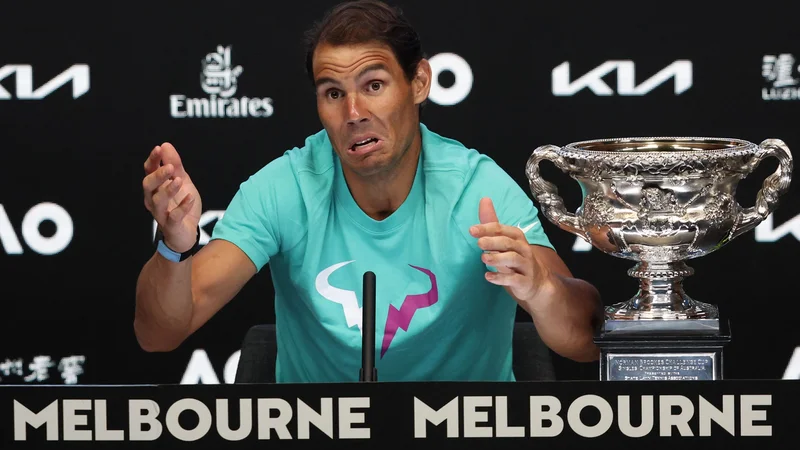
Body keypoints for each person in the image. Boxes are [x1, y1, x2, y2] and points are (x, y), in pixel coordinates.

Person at [135, 0, 603, 383]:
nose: (354, 112)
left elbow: (584, 343)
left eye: (373, 85)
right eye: (333, 93)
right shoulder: (285, 187)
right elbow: (158, 334)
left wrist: (540, 289)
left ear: (418, 83)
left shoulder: (477, 188)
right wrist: (176, 248)